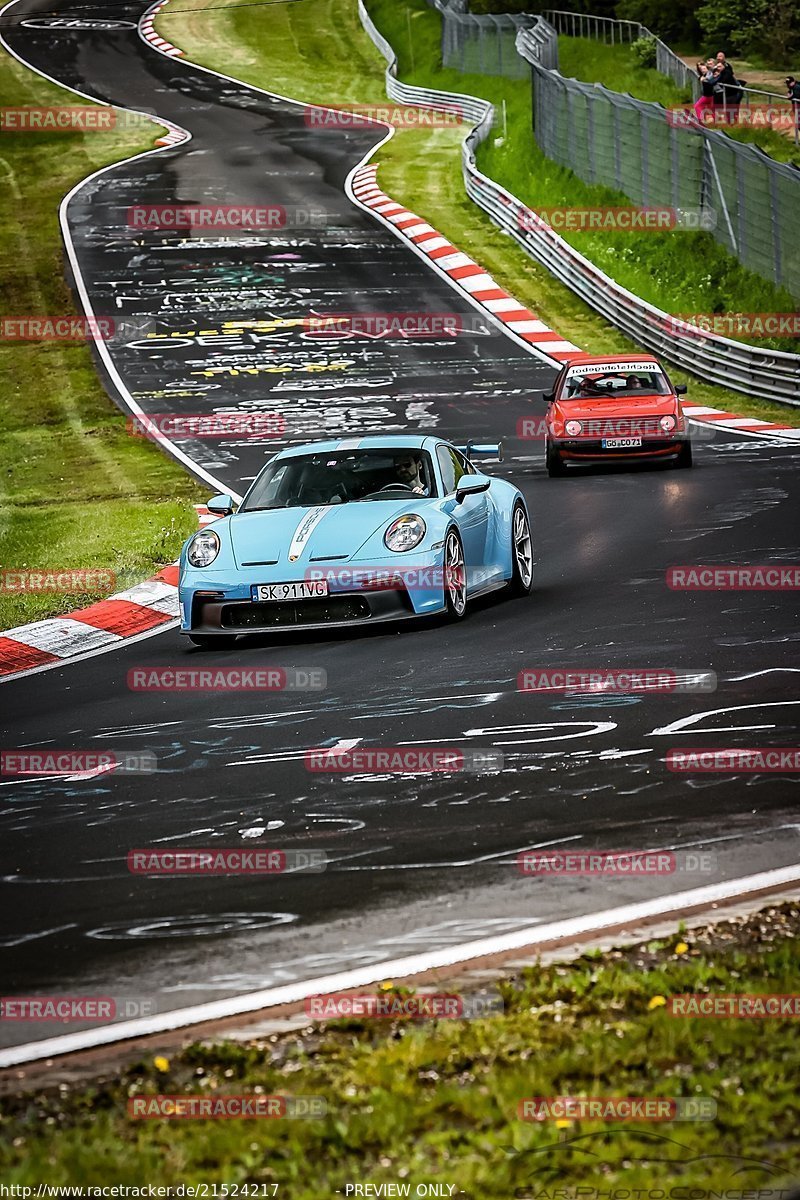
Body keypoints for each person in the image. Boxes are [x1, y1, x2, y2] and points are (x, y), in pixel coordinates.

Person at [694, 59, 717, 123]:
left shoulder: (710, 73)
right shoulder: (704, 75)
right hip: (709, 94)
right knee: (710, 109)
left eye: (703, 67)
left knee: (697, 106)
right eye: (701, 68)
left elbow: (710, 76)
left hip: (708, 95)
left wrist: (704, 78)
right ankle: (713, 121)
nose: (702, 69)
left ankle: (700, 119)